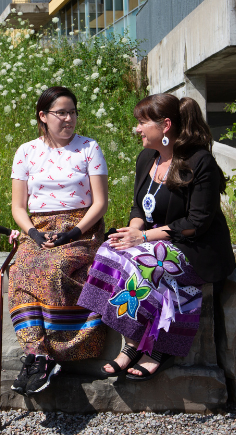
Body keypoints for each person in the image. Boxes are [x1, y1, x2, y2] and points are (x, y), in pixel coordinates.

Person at [78, 94, 235, 381]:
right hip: (155, 239)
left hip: (197, 247)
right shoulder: (146, 158)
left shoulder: (201, 163)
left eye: (141, 123)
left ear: (165, 125)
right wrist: (133, 230)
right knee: (108, 250)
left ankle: (152, 347)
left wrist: (143, 238)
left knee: (146, 263)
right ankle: (134, 337)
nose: (136, 129)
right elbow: (139, 205)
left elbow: (196, 222)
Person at [8, 86, 109, 395]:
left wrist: (73, 233)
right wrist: (33, 233)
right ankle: (36, 354)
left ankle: (54, 352)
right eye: (61, 113)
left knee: (55, 268)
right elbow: (18, 206)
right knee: (20, 268)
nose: (68, 119)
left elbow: (100, 202)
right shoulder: (26, 151)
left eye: (72, 112)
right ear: (43, 116)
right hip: (38, 228)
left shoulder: (89, 148)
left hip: (82, 229)